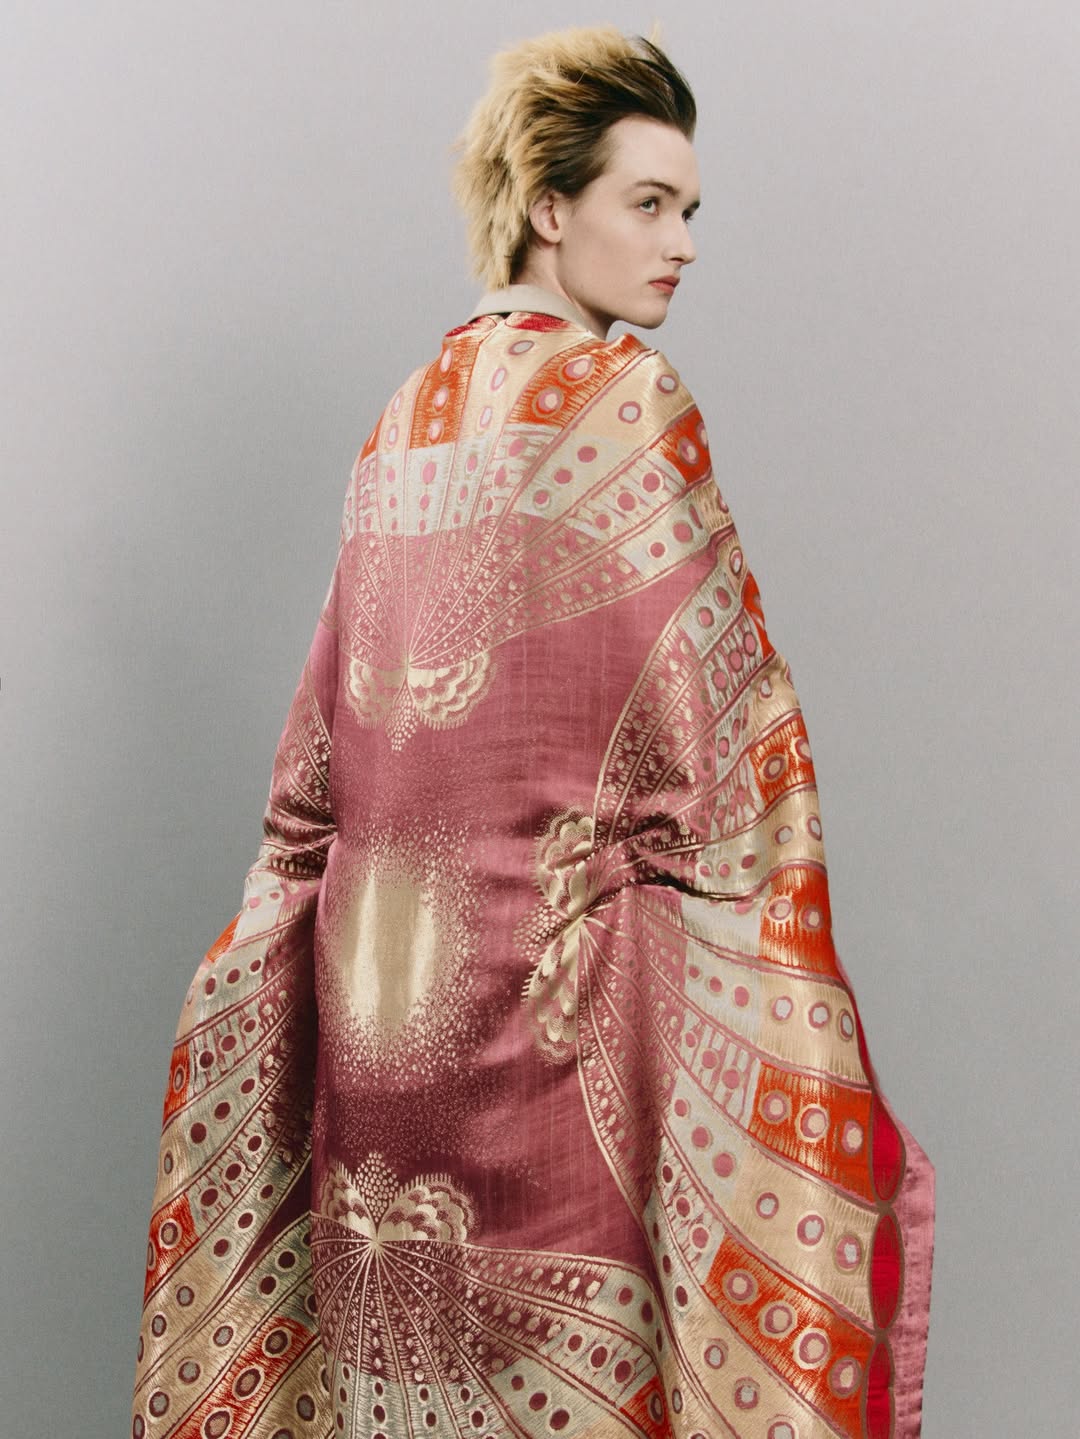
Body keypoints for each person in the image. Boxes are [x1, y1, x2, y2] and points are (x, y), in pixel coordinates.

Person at [132, 25, 933, 1439]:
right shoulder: (627, 401)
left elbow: (318, 772)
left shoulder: (398, 426)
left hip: (383, 1042)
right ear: (550, 205)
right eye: (650, 202)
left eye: (690, 209)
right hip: (563, 1041)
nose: (682, 243)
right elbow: (729, 765)